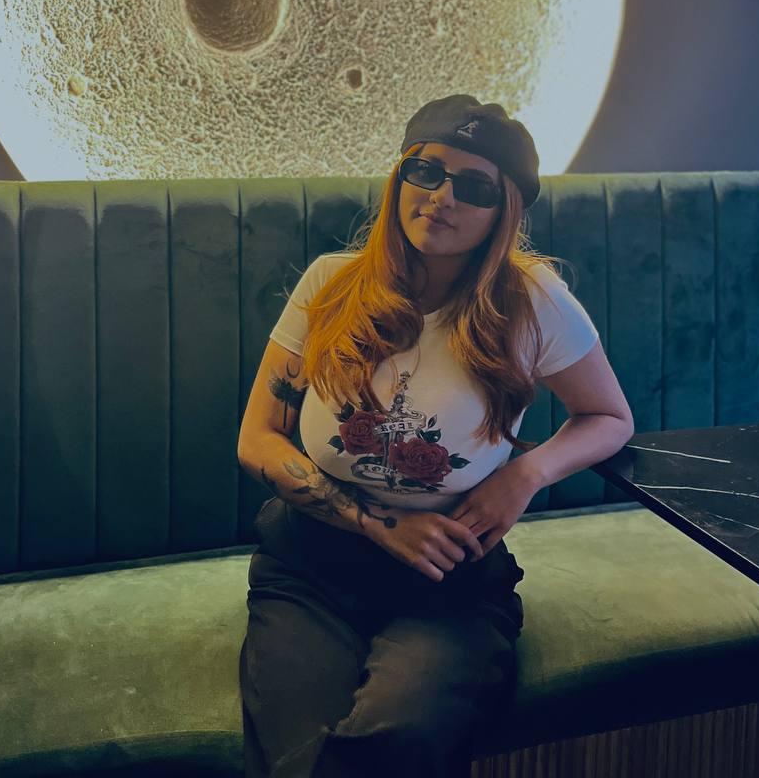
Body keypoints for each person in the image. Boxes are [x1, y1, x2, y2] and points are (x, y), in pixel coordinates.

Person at [236, 95, 607, 778]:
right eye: (426, 171)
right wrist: (380, 525)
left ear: (503, 211)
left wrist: (524, 475)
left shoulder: (534, 303)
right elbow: (259, 438)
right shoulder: (329, 284)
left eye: (474, 187)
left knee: (395, 742)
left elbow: (609, 417)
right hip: (310, 570)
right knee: (294, 760)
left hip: (449, 586)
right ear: (400, 176)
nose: (442, 197)